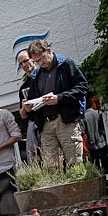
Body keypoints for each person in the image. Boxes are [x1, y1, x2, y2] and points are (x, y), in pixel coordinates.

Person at [20, 39, 87, 167]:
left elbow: (82, 87)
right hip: (46, 125)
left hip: (65, 121)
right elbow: (33, 100)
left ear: (49, 51)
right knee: (51, 167)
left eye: (41, 59)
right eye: (36, 62)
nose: (40, 63)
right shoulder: (36, 75)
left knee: (74, 163)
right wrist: (29, 107)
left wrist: (59, 98)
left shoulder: (66, 65)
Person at [17, 49, 42, 163]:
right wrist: (24, 107)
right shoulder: (24, 87)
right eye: (21, 64)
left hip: (49, 120)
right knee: (34, 158)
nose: (24, 65)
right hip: (34, 124)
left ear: (33, 59)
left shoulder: (44, 77)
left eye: (26, 61)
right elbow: (22, 115)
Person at [84, 95, 108, 173]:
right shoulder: (98, 113)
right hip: (102, 142)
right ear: (92, 103)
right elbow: (103, 128)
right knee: (105, 165)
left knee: (96, 167)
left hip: (91, 145)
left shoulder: (83, 117)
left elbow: (84, 132)